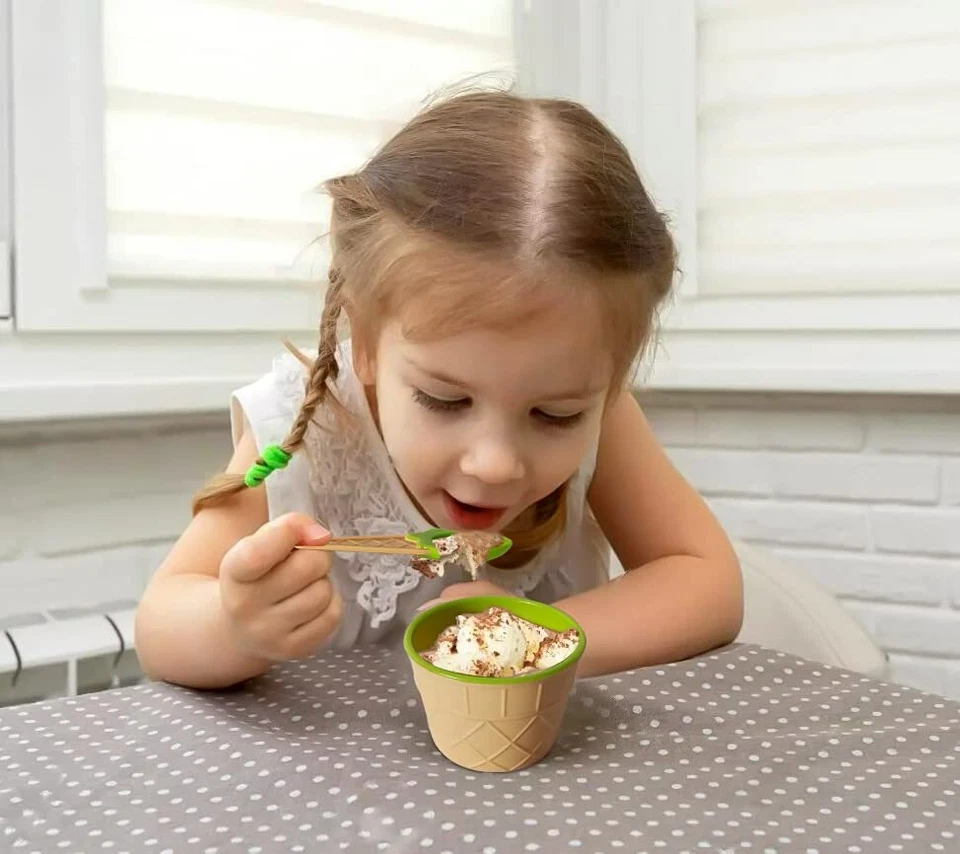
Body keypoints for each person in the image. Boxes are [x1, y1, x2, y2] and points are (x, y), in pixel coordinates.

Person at [135, 89, 743, 689]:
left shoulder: (602, 413)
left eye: (555, 415)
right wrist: (232, 626)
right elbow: (160, 624)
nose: (494, 464)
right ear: (365, 344)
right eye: (446, 400)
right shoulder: (306, 426)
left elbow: (706, 581)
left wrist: (536, 636)